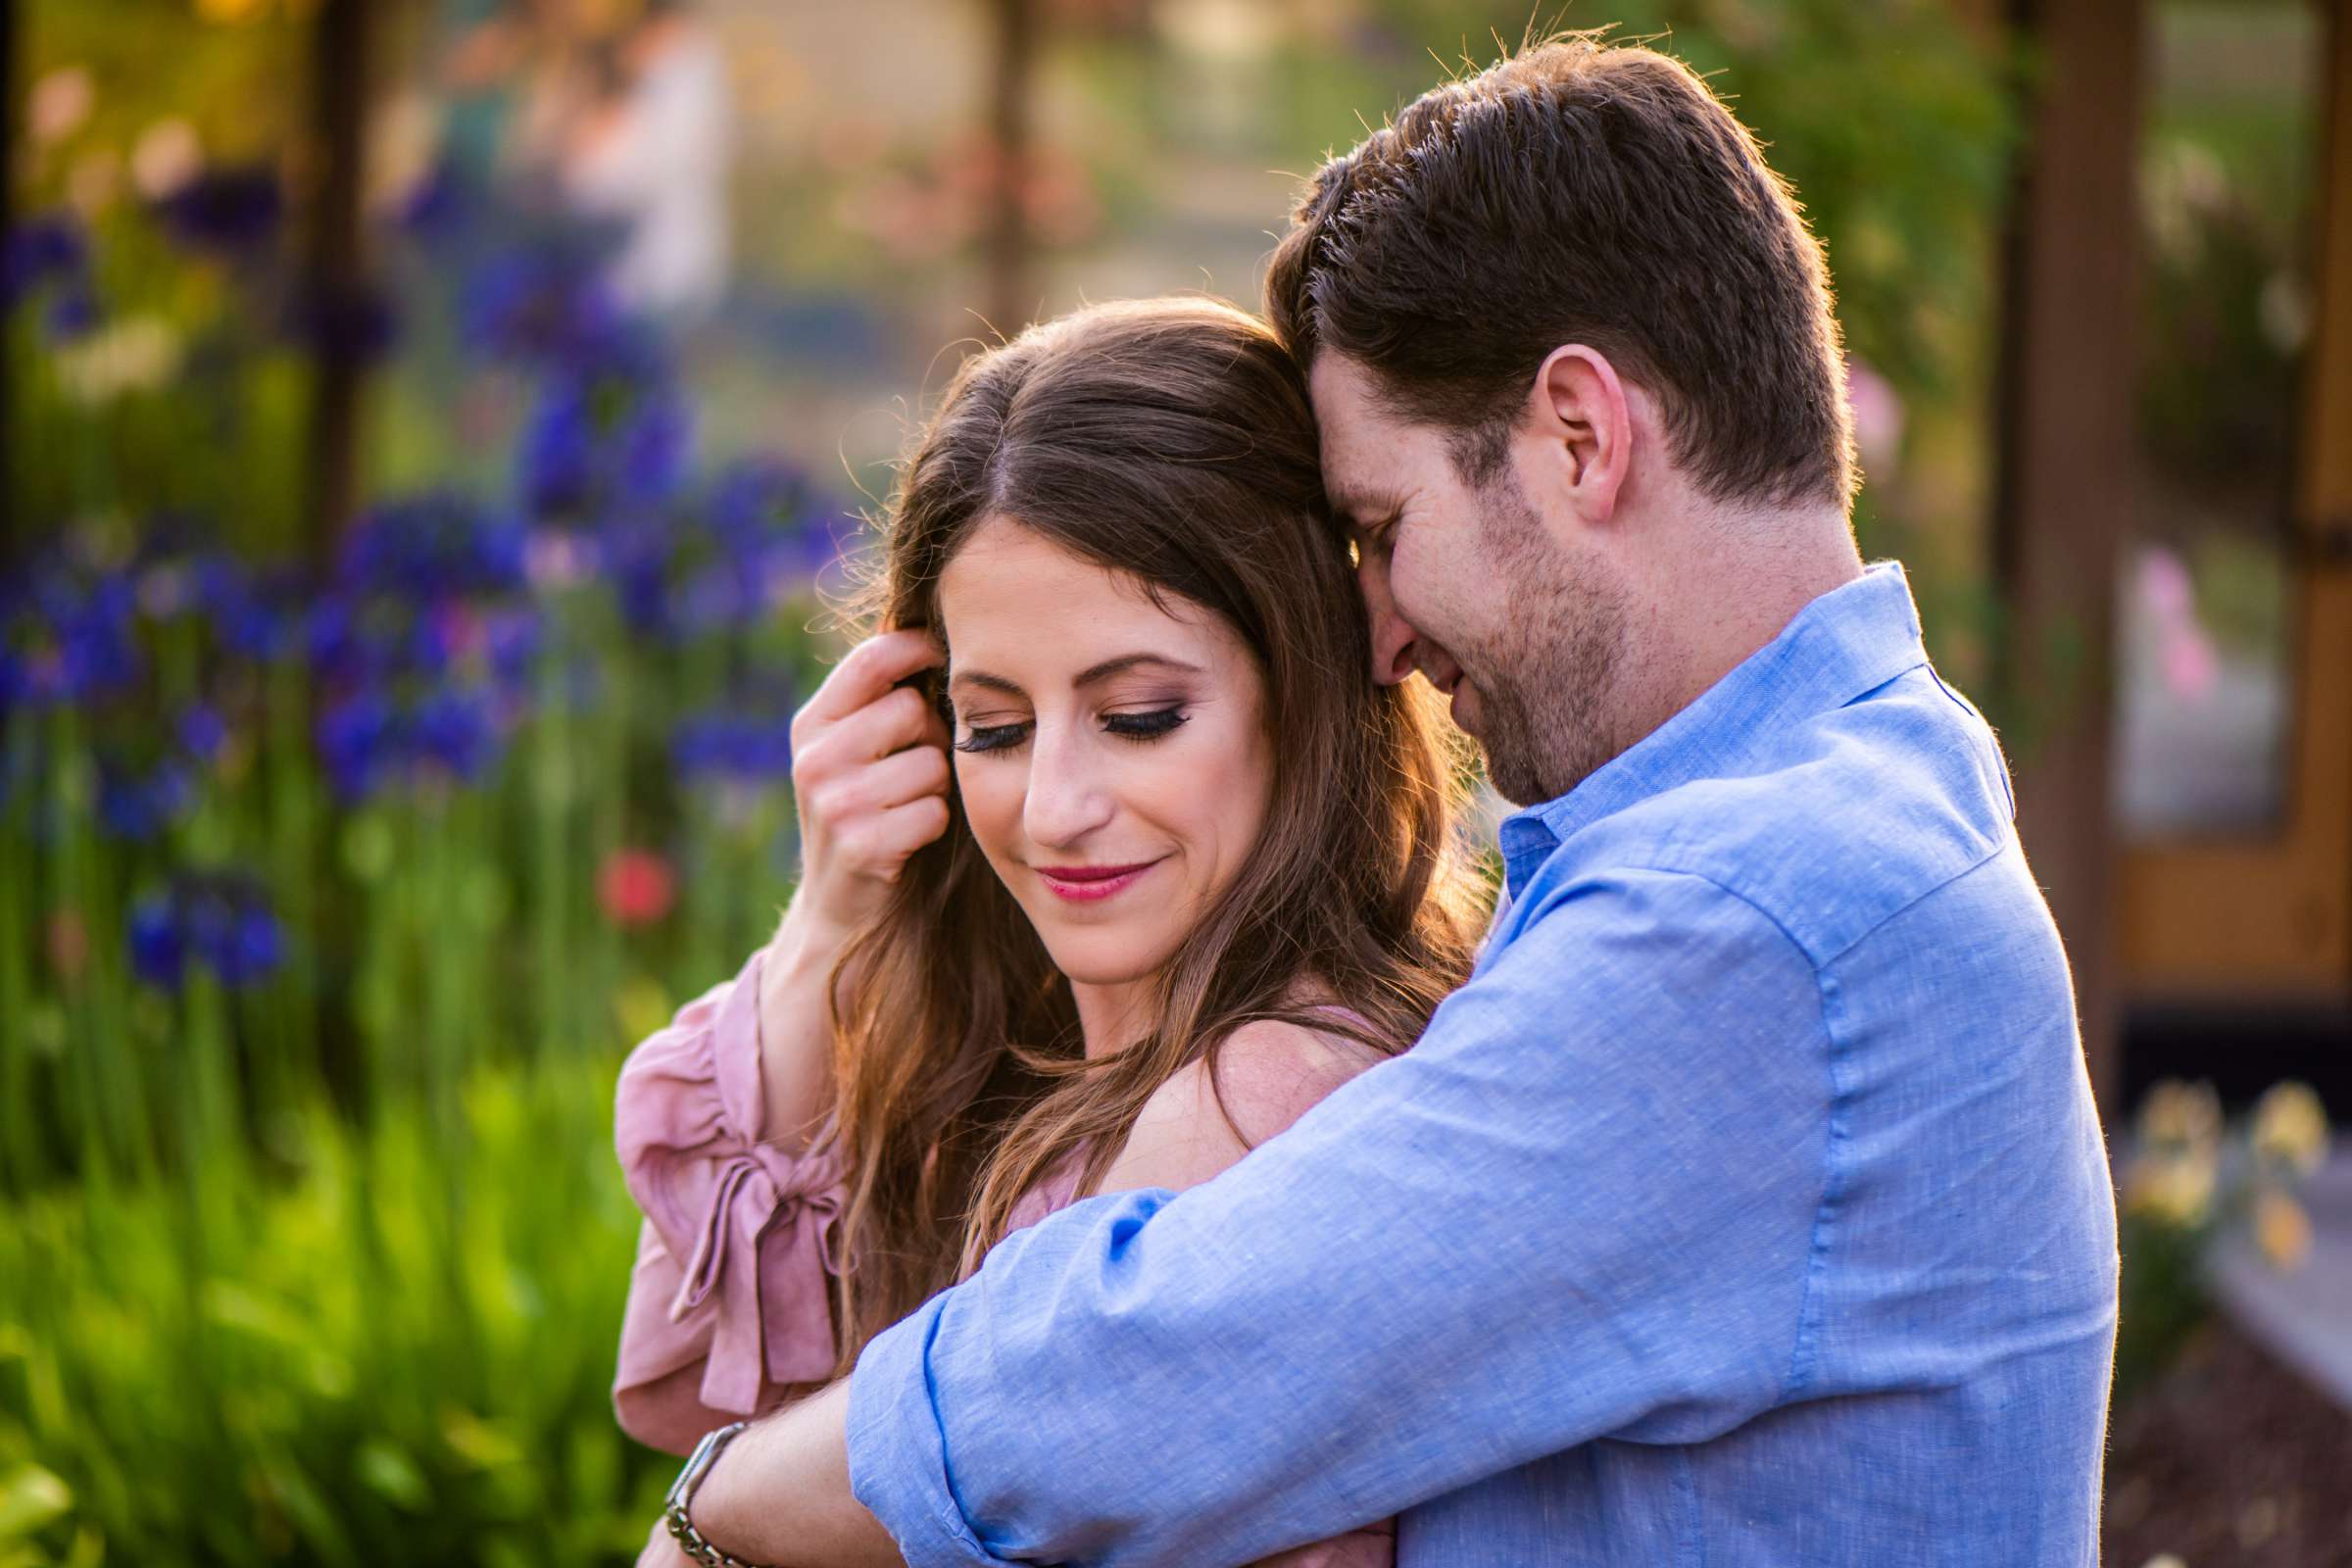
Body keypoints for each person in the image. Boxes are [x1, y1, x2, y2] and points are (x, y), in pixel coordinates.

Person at [635, 32, 2121, 1568]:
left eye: (1383, 524)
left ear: (1579, 435)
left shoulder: (1754, 920)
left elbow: (1150, 1378)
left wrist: (717, 1512)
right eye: (994, 723)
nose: (1380, 631)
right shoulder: (1852, 800)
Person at [614, 296, 1488, 1566]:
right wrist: (832, 920)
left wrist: (707, 1526)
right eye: (995, 726)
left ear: (1299, 692)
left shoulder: (1264, 1100)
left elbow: (740, 1486)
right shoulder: (1027, 1065)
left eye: (1138, 716)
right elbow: (706, 1391)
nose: (1057, 810)